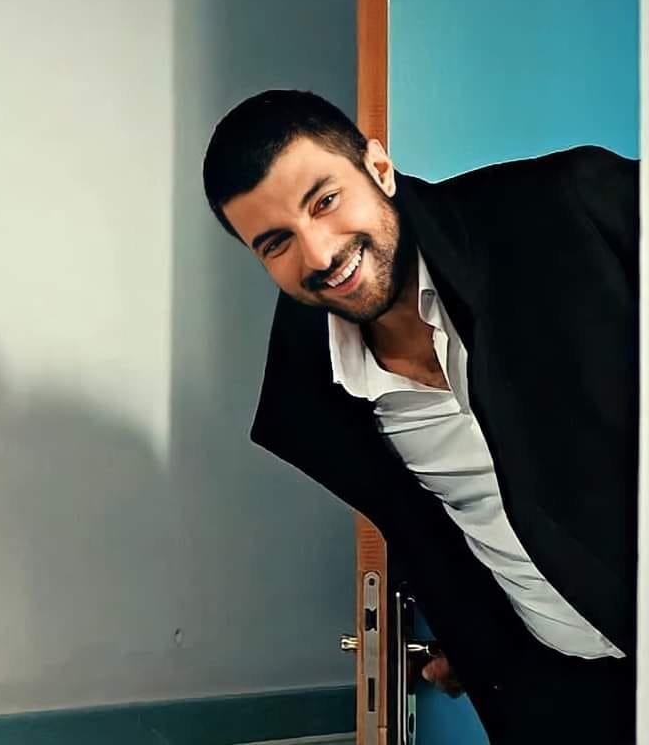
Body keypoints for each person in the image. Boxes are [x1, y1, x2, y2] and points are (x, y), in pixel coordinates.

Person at [202, 90, 639, 744]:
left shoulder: (569, 209)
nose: (318, 254)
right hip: (566, 701)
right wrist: (475, 641)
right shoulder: (311, 391)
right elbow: (436, 530)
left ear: (378, 168)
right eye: (276, 242)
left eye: (324, 201)